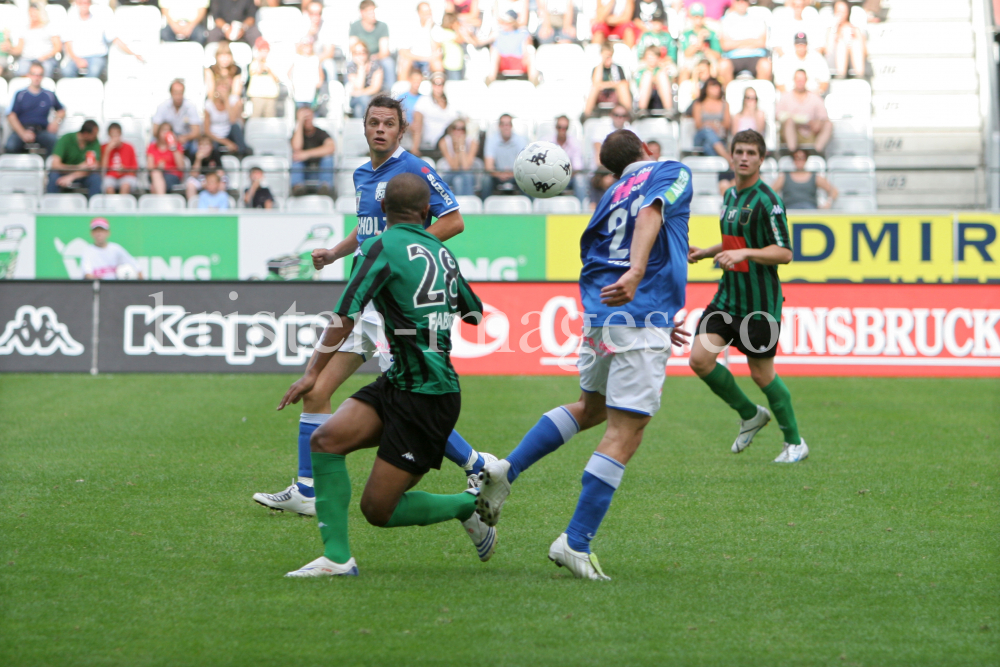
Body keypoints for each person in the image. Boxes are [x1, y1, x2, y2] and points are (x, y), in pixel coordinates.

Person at [254, 95, 493, 516]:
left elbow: (453, 219)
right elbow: (367, 228)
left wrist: (408, 252)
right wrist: (336, 252)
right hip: (366, 303)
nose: (380, 129)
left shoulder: (415, 168)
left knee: (407, 397)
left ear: (401, 131)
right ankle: (308, 491)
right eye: (373, 122)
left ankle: (478, 466)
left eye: (388, 124)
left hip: (392, 306)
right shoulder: (364, 174)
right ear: (363, 128)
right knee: (319, 390)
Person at [474, 129, 694, 579]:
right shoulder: (668, 170)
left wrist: (636, 303)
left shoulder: (611, 194)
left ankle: (505, 471)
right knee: (627, 429)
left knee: (590, 407)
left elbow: (591, 254)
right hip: (635, 314)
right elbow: (654, 209)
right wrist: (638, 280)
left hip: (603, 314)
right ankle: (575, 541)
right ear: (646, 151)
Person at [279, 173, 495, 578]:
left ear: (382, 211)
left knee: (378, 510)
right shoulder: (443, 253)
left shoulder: (381, 247)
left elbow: (346, 313)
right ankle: (338, 560)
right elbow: (474, 314)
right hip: (400, 384)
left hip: (427, 395)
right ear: (427, 211)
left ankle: (469, 506)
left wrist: (312, 373)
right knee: (325, 441)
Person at [686, 129, 808, 464]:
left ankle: (795, 442)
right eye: (738, 151)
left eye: (751, 153)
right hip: (727, 300)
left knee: (761, 374)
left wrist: (746, 255)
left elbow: (784, 253)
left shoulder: (768, 200)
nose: (743, 157)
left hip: (759, 306)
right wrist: (707, 251)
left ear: (761, 158)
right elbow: (734, 242)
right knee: (699, 359)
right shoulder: (730, 196)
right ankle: (750, 414)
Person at [62, 0, 144, 78]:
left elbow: (114, 39)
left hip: (97, 57)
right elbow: (68, 44)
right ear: (77, 3)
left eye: (86, 2)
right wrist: (77, 60)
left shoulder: (100, 18)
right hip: (77, 58)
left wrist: (133, 53)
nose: (84, 5)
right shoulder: (71, 19)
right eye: (81, 3)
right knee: (66, 71)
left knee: (94, 70)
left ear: (90, 3)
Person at [5, 61, 65, 156]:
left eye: (39, 75)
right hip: (22, 129)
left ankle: (49, 168)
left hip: (41, 131)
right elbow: (11, 116)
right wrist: (23, 133)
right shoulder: (20, 94)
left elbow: (61, 110)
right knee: (10, 146)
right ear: (29, 75)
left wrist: (55, 122)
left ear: (43, 76)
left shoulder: (49, 94)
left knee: (56, 144)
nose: (36, 78)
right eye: (34, 74)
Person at [777, 70, 833, 153]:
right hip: (792, 133)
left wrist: (819, 123)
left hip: (810, 134)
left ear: (806, 80)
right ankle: (792, 152)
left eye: (802, 79)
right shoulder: (785, 98)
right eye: (798, 79)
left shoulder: (815, 98)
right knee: (789, 122)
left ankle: (816, 152)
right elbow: (778, 116)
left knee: (828, 124)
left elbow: (824, 117)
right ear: (794, 80)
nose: (800, 82)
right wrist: (804, 121)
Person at [718, 0, 771, 86]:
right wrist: (750, 41)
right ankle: (728, 96)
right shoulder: (727, 20)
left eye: (745, 1)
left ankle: (761, 95)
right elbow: (725, 45)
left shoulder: (758, 18)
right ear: (734, 2)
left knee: (766, 65)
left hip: (756, 56)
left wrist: (736, 43)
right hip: (733, 57)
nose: (742, 3)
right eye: (739, 1)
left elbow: (762, 42)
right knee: (723, 66)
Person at [47, 119, 101, 197]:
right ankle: (51, 205)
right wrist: (78, 167)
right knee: (53, 176)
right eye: (94, 134)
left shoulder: (95, 142)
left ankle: (94, 207)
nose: (96, 136)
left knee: (96, 178)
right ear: (86, 134)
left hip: (82, 175)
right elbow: (55, 165)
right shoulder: (65, 138)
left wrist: (71, 177)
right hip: (63, 173)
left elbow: (93, 166)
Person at [410, 72, 458, 157]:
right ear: (431, 84)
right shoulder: (424, 100)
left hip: (449, 141)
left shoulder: (451, 103)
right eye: (435, 83)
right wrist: (415, 147)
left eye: (441, 83)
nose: (438, 86)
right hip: (431, 141)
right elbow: (417, 121)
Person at [290, 107, 336, 195]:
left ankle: (325, 187)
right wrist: (299, 123)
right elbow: (296, 147)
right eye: (304, 117)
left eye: (309, 116)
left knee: (328, 158)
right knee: (296, 158)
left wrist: (307, 154)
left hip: (319, 171)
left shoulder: (320, 132)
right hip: (303, 171)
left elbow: (331, 147)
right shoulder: (297, 134)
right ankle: (298, 187)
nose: (307, 120)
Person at [771, 148, 837, 209]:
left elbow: (834, 191)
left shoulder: (815, 176)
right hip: (790, 211)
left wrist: (827, 204)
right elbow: (769, 193)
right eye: (796, 158)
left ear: (806, 159)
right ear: (793, 160)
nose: (799, 161)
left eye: (802, 158)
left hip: (809, 212)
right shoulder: (784, 177)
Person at [152, 80, 203, 159]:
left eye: (181, 92)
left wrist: (184, 138)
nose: (178, 96)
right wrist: (168, 138)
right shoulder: (162, 107)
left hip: (185, 139)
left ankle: (191, 169)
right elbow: (155, 131)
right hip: (166, 138)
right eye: (176, 92)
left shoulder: (190, 106)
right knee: (153, 143)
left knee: (195, 147)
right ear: (171, 93)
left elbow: (196, 131)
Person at [349, 0, 394, 89]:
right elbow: (353, 47)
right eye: (370, 12)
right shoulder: (355, 26)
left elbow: (384, 51)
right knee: (349, 65)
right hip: (360, 56)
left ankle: (390, 93)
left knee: (388, 63)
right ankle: (350, 93)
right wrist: (362, 59)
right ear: (362, 12)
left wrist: (370, 59)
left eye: (374, 11)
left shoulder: (382, 26)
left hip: (376, 58)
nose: (373, 14)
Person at [10, 3, 62, 78]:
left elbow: (58, 46)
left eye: (35, 11)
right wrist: (9, 48)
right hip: (27, 59)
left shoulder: (49, 27)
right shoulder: (24, 29)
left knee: (45, 69)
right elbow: (19, 49)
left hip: (45, 59)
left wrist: (45, 56)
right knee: (21, 70)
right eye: (31, 11)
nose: (33, 14)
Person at [484, 9, 536, 84]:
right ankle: (490, 79)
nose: (504, 24)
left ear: (513, 23)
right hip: (502, 62)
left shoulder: (523, 33)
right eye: (503, 22)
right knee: (494, 50)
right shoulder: (497, 33)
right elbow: (480, 43)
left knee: (531, 52)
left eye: (506, 22)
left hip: (520, 61)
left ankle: (534, 80)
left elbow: (527, 48)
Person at [546, 115, 589, 202]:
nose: (562, 130)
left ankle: (582, 209)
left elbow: (577, 168)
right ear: (555, 128)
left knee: (580, 180)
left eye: (565, 128)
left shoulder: (575, 143)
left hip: (569, 178)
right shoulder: (546, 142)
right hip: (549, 176)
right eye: (560, 127)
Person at [483, 113, 527, 195]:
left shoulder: (520, 140)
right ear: (499, 126)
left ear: (511, 126)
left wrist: (511, 174)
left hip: (516, 176)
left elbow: (524, 166)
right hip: (496, 176)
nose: (506, 127)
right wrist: (499, 174)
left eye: (508, 124)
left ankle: (531, 205)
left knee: (526, 179)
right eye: (503, 124)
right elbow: (488, 167)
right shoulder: (491, 140)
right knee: (486, 180)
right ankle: (483, 206)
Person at [583, 43, 631, 118]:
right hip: (601, 95)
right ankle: (586, 116)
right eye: (605, 56)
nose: (608, 58)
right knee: (594, 88)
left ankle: (628, 115)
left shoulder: (618, 68)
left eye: (609, 56)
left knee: (623, 87)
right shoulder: (597, 69)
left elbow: (623, 83)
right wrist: (602, 63)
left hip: (615, 95)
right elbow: (596, 83)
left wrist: (605, 85)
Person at [398, 2, 442, 80]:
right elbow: (403, 52)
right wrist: (424, 58)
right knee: (404, 62)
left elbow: (437, 50)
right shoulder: (411, 27)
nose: (428, 15)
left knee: (437, 64)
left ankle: (437, 87)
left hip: (430, 61)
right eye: (425, 12)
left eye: (429, 12)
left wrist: (429, 31)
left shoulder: (436, 28)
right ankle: (402, 88)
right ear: (419, 13)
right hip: (415, 60)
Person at [678, 3, 721, 83]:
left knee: (713, 70)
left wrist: (704, 48)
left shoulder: (711, 33)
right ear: (691, 18)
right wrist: (699, 40)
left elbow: (717, 55)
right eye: (695, 17)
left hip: (708, 59)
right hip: (692, 60)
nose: (697, 21)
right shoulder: (686, 34)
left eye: (699, 17)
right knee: (684, 72)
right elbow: (687, 54)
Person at [692, 77, 732, 163]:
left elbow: (727, 124)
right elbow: (698, 125)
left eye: (717, 87)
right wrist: (711, 125)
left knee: (708, 146)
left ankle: (716, 171)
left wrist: (715, 126)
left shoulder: (724, 104)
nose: (716, 89)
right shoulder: (699, 104)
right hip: (701, 136)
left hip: (719, 137)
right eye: (713, 86)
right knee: (707, 131)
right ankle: (727, 159)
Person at [825, 0, 867, 79]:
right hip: (834, 59)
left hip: (853, 58)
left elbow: (864, 51)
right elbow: (828, 50)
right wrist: (835, 28)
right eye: (838, 11)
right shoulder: (831, 30)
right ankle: (841, 75)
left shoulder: (855, 29)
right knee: (841, 44)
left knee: (856, 44)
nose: (840, 14)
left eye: (843, 11)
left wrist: (851, 41)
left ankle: (860, 75)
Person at [203, 80, 246, 156]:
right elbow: (207, 131)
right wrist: (226, 142)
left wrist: (226, 100)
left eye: (225, 87)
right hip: (215, 136)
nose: (223, 90)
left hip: (228, 132)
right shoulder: (209, 104)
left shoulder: (233, 100)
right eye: (220, 87)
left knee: (236, 127)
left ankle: (242, 154)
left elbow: (232, 120)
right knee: (213, 146)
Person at [438, 118, 479, 196]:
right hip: (449, 173)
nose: (459, 131)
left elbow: (466, 167)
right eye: (455, 128)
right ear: (451, 130)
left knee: (459, 180)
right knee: (464, 176)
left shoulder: (473, 142)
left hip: (466, 174)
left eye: (462, 129)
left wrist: (461, 146)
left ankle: (463, 204)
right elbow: (454, 168)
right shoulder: (444, 142)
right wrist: (457, 149)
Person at [347, 42, 384, 118]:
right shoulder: (351, 67)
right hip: (356, 99)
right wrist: (361, 67)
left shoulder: (376, 66)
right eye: (356, 53)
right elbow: (358, 86)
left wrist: (360, 93)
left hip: (373, 97)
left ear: (367, 53)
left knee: (359, 109)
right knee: (363, 100)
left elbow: (375, 88)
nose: (360, 55)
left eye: (362, 52)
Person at [147, 123, 186, 195]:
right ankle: (162, 199)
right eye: (164, 130)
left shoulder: (176, 146)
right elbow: (150, 168)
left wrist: (173, 146)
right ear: (159, 133)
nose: (166, 133)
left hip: (172, 175)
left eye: (169, 130)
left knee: (155, 186)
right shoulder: (152, 146)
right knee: (156, 173)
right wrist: (158, 167)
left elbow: (181, 167)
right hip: (156, 174)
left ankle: (160, 199)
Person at [634, 45, 674, 114]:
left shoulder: (662, 70)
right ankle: (642, 111)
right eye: (649, 57)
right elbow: (639, 84)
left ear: (658, 58)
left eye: (653, 57)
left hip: (660, 96)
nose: (651, 59)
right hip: (644, 96)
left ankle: (669, 111)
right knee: (647, 76)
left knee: (662, 75)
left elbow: (670, 81)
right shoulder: (641, 71)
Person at [101, 123, 139, 195]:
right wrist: (107, 151)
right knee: (109, 187)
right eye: (112, 135)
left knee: (125, 186)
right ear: (109, 136)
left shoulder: (129, 147)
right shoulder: (104, 147)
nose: (115, 138)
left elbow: (135, 169)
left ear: (121, 134)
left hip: (126, 176)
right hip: (110, 177)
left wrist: (125, 169)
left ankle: (122, 206)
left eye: (117, 135)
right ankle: (112, 206)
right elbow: (102, 170)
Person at [247, 38, 280, 118]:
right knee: (256, 116)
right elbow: (256, 71)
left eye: (266, 51)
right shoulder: (254, 63)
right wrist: (259, 60)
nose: (264, 53)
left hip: (271, 95)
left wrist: (268, 70)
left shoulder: (272, 63)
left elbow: (277, 78)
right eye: (262, 50)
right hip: (257, 95)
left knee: (270, 117)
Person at [185, 135, 225, 199]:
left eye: (206, 145)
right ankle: (192, 206)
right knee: (190, 184)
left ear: (211, 146)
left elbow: (221, 172)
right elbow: (194, 174)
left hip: (213, 178)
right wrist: (198, 160)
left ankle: (219, 203)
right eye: (201, 145)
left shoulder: (215, 154)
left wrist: (210, 182)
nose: (204, 148)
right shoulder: (194, 155)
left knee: (222, 183)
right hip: (201, 179)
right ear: (198, 147)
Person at [290, 37, 324, 109]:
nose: (307, 48)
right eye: (305, 46)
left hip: (311, 90)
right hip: (299, 91)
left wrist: (319, 82)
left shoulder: (315, 59)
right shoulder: (296, 58)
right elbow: (289, 73)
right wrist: (292, 83)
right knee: (300, 111)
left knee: (311, 111)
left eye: (309, 46)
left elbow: (320, 74)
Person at [438, 13, 469, 80]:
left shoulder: (447, 33)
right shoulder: (448, 33)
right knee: (454, 85)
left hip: (456, 64)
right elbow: (460, 39)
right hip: (452, 65)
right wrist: (457, 28)